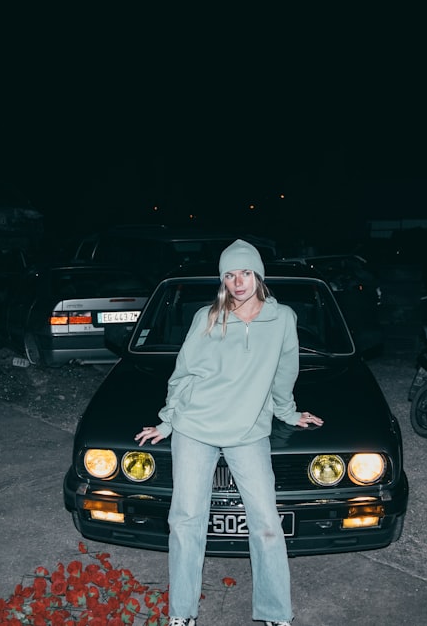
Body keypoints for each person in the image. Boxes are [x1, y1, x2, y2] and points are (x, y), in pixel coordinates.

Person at [135, 239, 324, 626]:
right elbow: (184, 374)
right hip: (196, 426)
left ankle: (275, 614)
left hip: (249, 429)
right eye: (230, 274)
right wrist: (167, 421)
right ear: (222, 279)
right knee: (185, 519)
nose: (238, 282)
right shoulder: (208, 316)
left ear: (259, 275)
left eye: (245, 273)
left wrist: (288, 413)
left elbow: (284, 373)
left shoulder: (282, 319)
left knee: (267, 522)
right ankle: (182, 614)